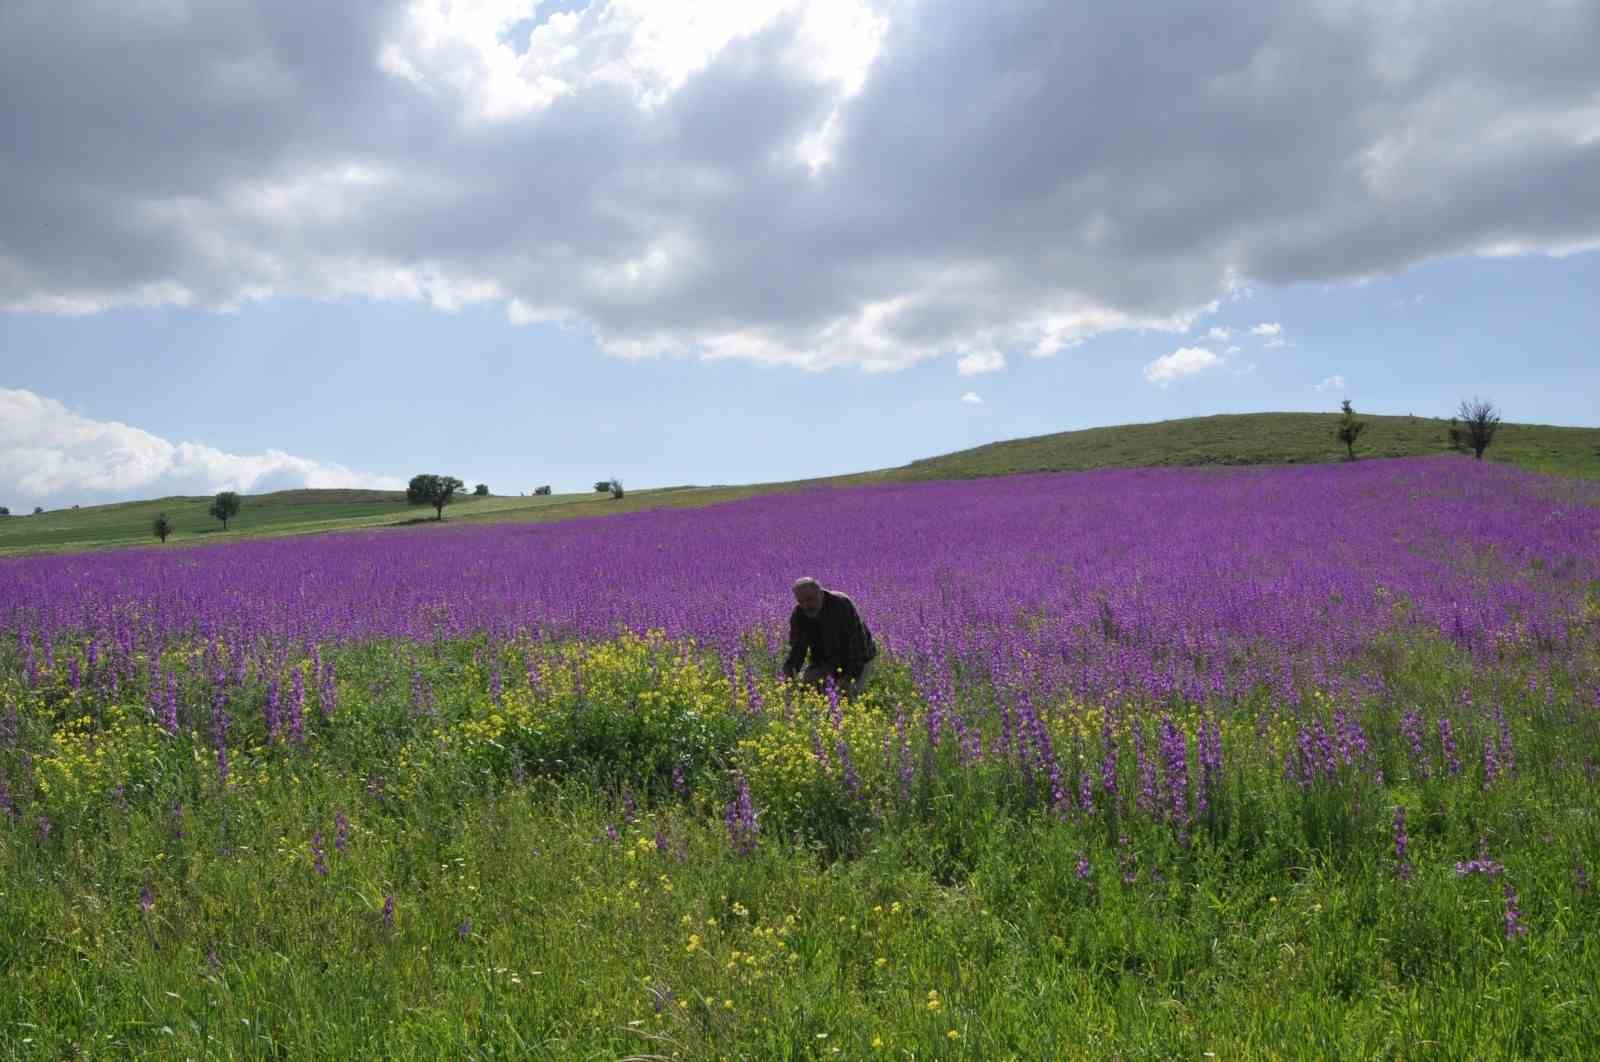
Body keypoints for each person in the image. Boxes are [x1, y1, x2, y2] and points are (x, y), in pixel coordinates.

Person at [781, 577, 877, 698]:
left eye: (809, 599)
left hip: (860, 658)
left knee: (847, 694)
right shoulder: (799, 615)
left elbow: (859, 646)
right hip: (828, 660)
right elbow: (797, 651)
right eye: (801, 601)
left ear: (821, 594)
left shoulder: (841, 604)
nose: (805, 605)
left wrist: (848, 679)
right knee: (808, 687)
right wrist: (786, 678)